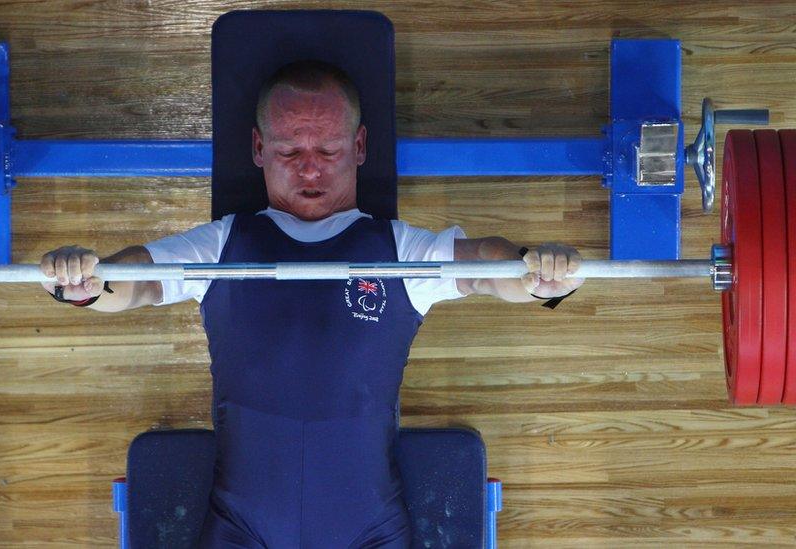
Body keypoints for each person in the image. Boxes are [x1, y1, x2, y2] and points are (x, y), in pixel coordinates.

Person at [41, 61, 584, 548]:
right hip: (240, 529)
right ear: (258, 149)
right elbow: (137, 281)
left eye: (328, 151)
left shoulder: (399, 251)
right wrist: (91, 283)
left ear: (360, 148)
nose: (309, 170)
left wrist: (534, 271)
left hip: (369, 531)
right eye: (289, 151)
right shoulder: (222, 246)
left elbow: (488, 269)